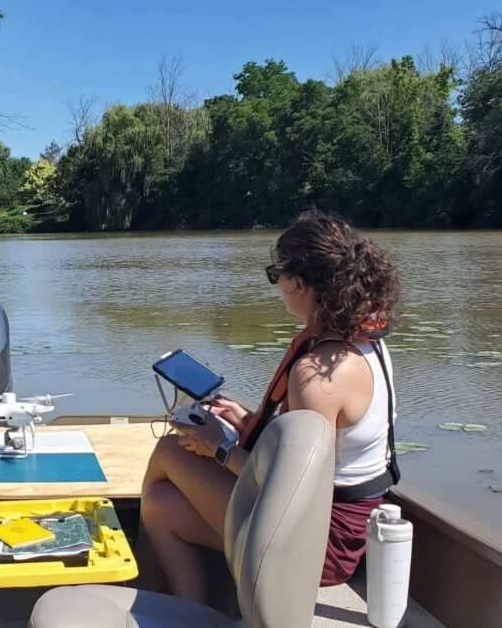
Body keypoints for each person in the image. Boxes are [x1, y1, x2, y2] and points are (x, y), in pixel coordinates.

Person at [139, 209, 401, 604]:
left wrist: (220, 447)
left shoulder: (317, 376)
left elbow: (294, 494)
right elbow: (312, 457)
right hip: (331, 527)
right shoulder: (365, 343)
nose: (275, 285)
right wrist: (245, 421)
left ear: (297, 282)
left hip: (316, 547)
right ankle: (185, 610)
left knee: (169, 450)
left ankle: (143, 590)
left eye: (274, 274)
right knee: (160, 506)